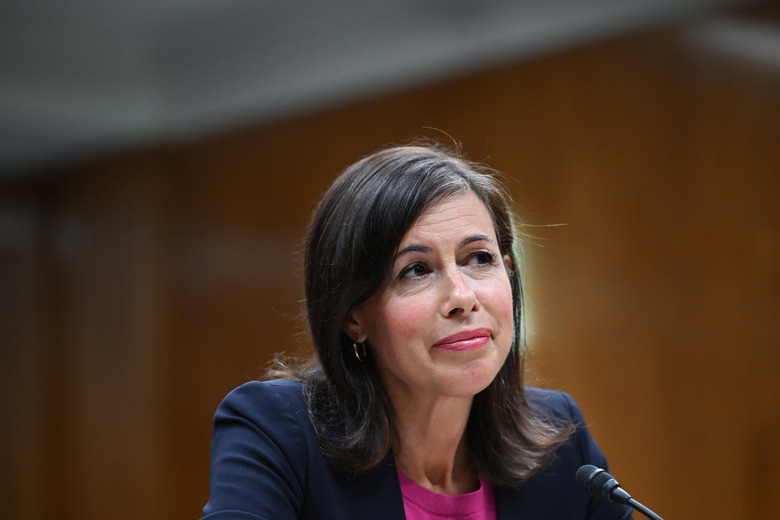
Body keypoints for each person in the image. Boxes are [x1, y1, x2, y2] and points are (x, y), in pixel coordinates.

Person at [201, 143, 634, 519]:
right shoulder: (277, 431)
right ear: (353, 316)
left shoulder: (564, 448)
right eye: (416, 270)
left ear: (509, 272)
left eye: (479, 258)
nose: (462, 296)